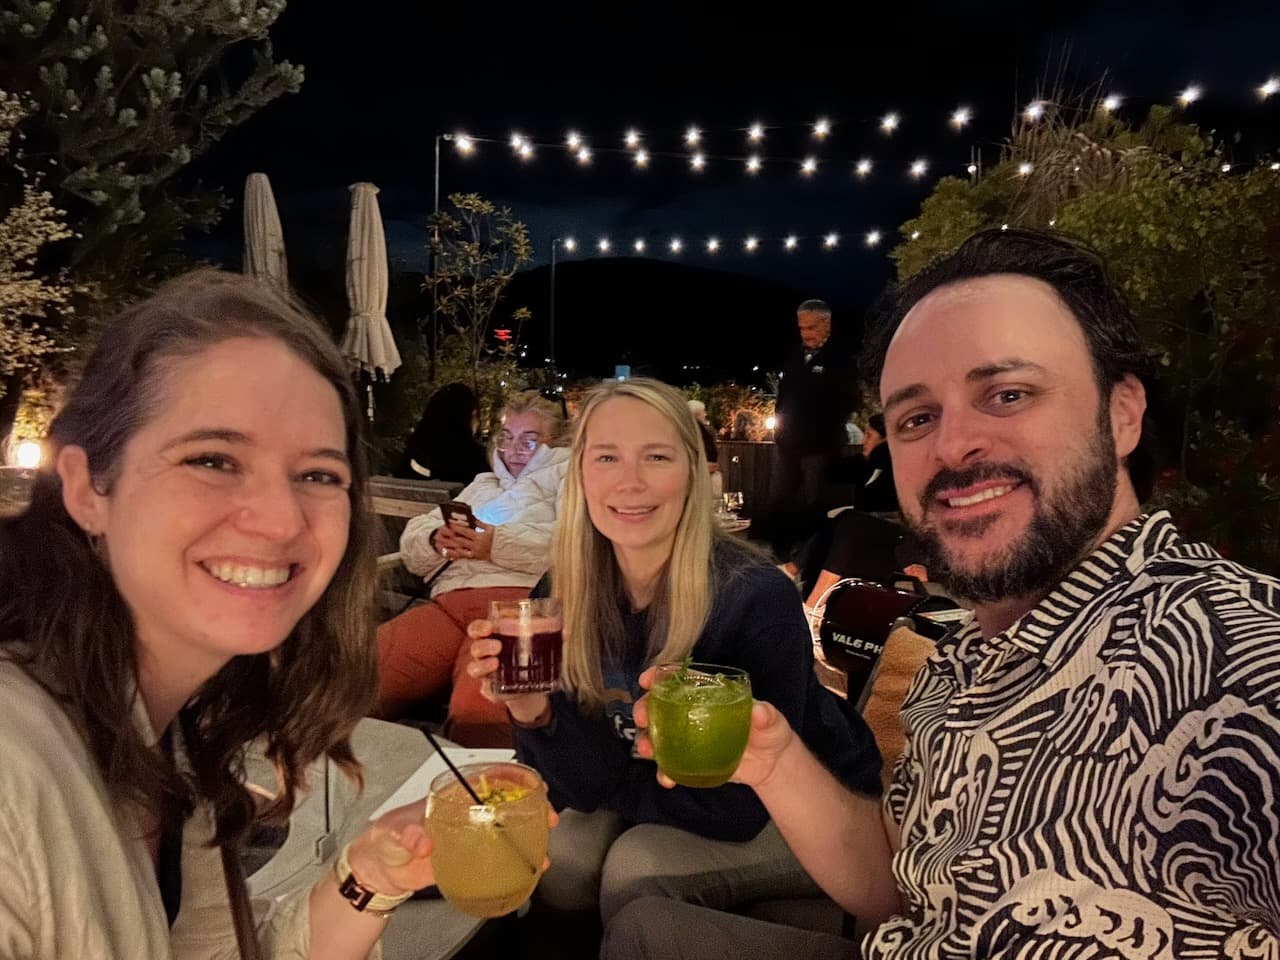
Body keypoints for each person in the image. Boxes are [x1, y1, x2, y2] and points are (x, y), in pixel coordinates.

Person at [609, 228, 1280, 958]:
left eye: (1008, 394)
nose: (953, 445)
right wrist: (774, 761)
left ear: (1122, 413)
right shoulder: (956, 663)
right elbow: (902, 883)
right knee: (643, 929)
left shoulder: (1238, 657)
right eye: (917, 418)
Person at [0, 271, 439, 958]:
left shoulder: (166, 747)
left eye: (318, 474)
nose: (281, 519)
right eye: (212, 459)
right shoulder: (14, 768)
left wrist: (371, 877)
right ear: (87, 490)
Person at [464, 377, 882, 929]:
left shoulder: (754, 597)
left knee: (634, 866)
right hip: (653, 783)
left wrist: (605, 784)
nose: (630, 482)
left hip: (802, 806)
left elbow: (734, 810)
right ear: (579, 474)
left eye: (656, 457)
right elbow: (573, 784)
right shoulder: (559, 593)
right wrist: (532, 708)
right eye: (606, 457)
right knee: (564, 860)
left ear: (693, 472)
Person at [376, 392, 569, 745]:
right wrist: (436, 539)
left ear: (554, 442)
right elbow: (417, 535)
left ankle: (488, 779)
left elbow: (573, 547)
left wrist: (494, 544)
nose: (514, 449)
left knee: (480, 715)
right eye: (507, 437)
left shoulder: (572, 480)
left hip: (520, 608)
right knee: (361, 676)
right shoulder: (483, 484)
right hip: (449, 605)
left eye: (529, 440)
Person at [771, 299, 858, 509]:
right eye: (801, 328)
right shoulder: (794, 356)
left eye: (811, 328)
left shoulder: (841, 358)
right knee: (780, 503)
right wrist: (780, 432)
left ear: (827, 324)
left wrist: (824, 429)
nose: (805, 334)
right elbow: (783, 397)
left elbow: (849, 401)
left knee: (815, 504)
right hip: (788, 445)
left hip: (820, 447)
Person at [394, 381, 489, 484]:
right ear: (464, 419)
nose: (477, 422)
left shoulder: (413, 452)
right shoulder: (477, 461)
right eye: (474, 416)